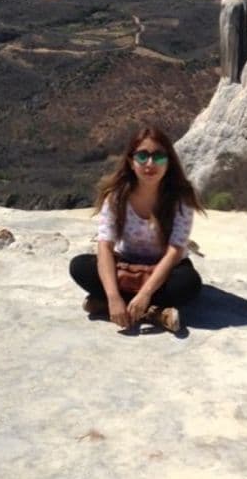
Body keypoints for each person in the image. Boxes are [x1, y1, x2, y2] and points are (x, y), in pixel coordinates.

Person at [69, 125, 203, 332]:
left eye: (158, 157)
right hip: (126, 265)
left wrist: (145, 294)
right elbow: (105, 246)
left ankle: (115, 305)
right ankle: (153, 312)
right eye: (142, 156)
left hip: (164, 271)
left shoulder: (180, 199)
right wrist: (113, 297)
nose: (150, 163)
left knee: (188, 283)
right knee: (80, 266)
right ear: (131, 162)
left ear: (169, 162)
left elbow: (175, 250)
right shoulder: (117, 197)